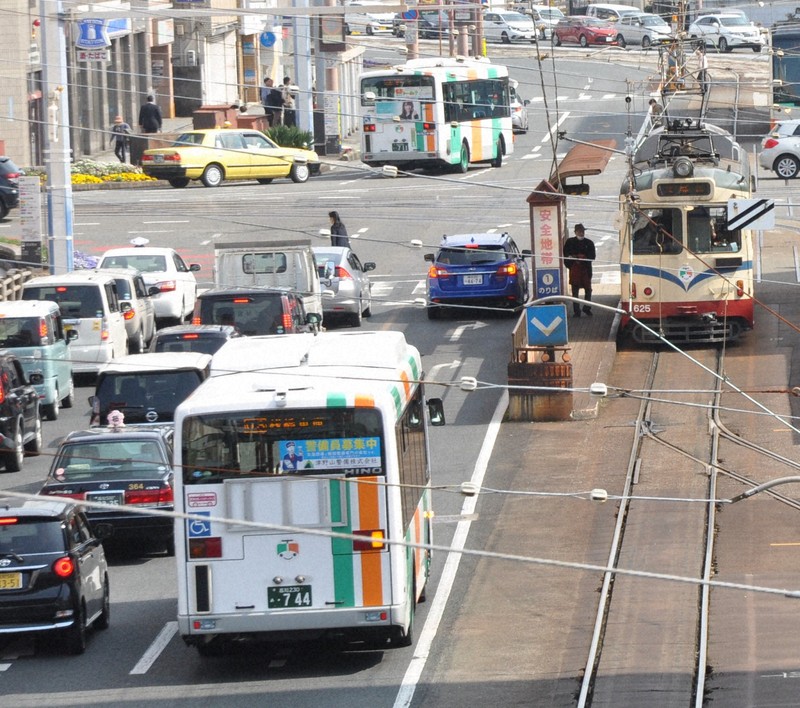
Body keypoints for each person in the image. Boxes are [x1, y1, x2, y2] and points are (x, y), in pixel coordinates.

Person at [563, 223, 596, 318]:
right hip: (574, 270)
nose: (582, 233)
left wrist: (583, 259)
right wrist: (572, 263)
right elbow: (566, 256)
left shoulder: (589, 243)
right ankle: (576, 311)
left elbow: (592, 257)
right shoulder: (569, 242)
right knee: (575, 291)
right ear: (575, 232)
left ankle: (587, 308)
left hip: (586, 270)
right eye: (580, 231)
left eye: (583, 231)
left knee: (588, 290)